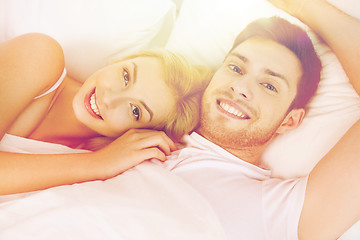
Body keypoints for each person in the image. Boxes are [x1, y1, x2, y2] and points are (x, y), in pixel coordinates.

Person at [156, 0, 360, 239]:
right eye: (236, 68)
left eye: (269, 85)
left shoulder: (281, 214)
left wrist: (304, 7)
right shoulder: (139, 126)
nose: (240, 87)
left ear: (289, 121)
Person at [0, 34, 212, 195]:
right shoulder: (39, 55)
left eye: (135, 110)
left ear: (139, 134)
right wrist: (97, 164)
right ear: (119, 61)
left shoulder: (99, 165)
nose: (109, 98)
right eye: (126, 76)